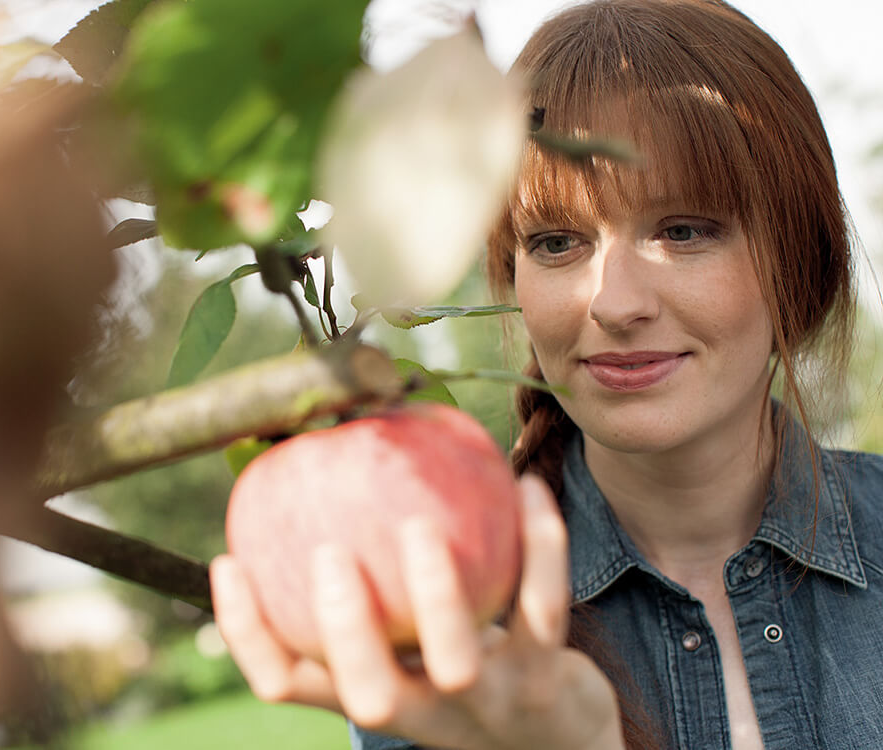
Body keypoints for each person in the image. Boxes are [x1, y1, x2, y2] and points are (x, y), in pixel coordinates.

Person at [209, 0, 883, 748]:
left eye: (683, 230)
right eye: (557, 242)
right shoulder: (448, 632)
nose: (615, 303)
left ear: (799, 254)